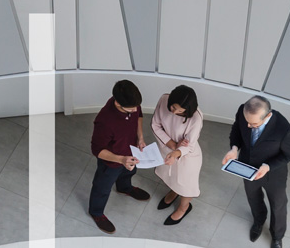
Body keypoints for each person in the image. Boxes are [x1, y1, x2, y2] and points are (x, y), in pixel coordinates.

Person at [223, 95, 290, 248]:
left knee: (278, 205)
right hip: (247, 167)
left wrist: (268, 166)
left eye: (254, 123)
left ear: (268, 116)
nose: (249, 126)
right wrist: (235, 148)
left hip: (273, 175)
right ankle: (259, 219)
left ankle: (277, 237)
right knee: (253, 197)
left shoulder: (283, 129)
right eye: (247, 121)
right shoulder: (244, 112)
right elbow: (237, 130)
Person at [87, 80, 151, 233]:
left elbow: (139, 116)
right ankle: (96, 212)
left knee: (129, 172)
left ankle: (124, 188)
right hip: (112, 162)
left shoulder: (131, 103)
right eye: (131, 108)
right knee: (102, 188)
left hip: (130, 153)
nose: (135, 110)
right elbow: (97, 150)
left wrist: (140, 138)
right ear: (117, 103)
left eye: (136, 106)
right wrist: (121, 159)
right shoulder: (105, 121)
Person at [152, 85, 203, 226]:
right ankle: (173, 192)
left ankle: (184, 207)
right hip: (169, 147)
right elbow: (155, 125)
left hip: (187, 155)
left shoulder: (196, 118)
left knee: (186, 185)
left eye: (180, 111)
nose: (174, 113)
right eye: (173, 108)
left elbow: (190, 145)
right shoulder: (164, 99)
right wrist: (173, 145)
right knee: (170, 176)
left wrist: (176, 152)